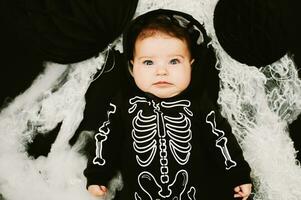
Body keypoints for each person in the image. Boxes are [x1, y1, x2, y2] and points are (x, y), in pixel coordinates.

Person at [83, 9, 252, 200]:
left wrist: (238, 176)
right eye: (148, 62)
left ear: (191, 65)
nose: (161, 71)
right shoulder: (124, 103)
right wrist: (97, 175)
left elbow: (221, 140)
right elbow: (106, 139)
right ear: (132, 67)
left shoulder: (198, 103)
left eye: (174, 61)